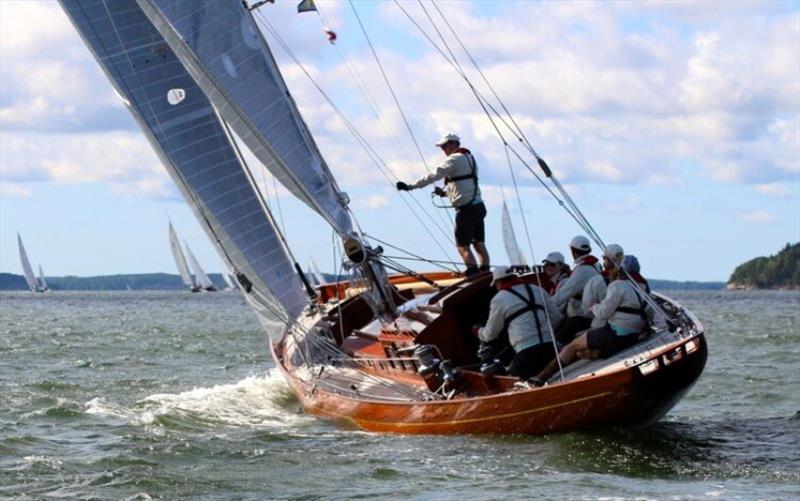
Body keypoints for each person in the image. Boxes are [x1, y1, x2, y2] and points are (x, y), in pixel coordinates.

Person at [532, 254, 655, 385]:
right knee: (583, 344)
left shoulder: (618, 285)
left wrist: (594, 306)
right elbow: (650, 313)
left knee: (572, 345)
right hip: (633, 335)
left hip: (616, 333)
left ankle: (542, 376)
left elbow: (603, 313)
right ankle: (593, 353)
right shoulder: (644, 287)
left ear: (621, 270)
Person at [396, 133, 489, 275]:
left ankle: (473, 273)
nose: (443, 150)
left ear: (452, 144)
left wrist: (411, 186)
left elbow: (433, 175)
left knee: (462, 245)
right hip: (479, 207)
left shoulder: (454, 160)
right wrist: (445, 194)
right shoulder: (470, 158)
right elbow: (466, 185)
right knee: (478, 243)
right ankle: (485, 273)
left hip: (466, 210)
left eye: (444, 146)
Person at [475, 266, 563, 380]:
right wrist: (547, 333)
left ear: (498, 282)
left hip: (527, 353)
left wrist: (479, 332)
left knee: (514, 383)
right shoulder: (537, 289)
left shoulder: (499, 299)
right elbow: (557, 317)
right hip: (551, 347)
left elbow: (491, 334)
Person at [551, 236, 601, 344]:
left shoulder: (582, 270)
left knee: (555, 342)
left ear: (573, 251)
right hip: (589, 315)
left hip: (581, 317)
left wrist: (544, 306)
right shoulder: (596, 265)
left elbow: (563, 295)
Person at [582, 244, 624, 328]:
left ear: (607, 259)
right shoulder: (631, 281)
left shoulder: (596, 281)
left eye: (604, 258)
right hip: (629, 326)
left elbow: (586, 309)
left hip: (601, 326)